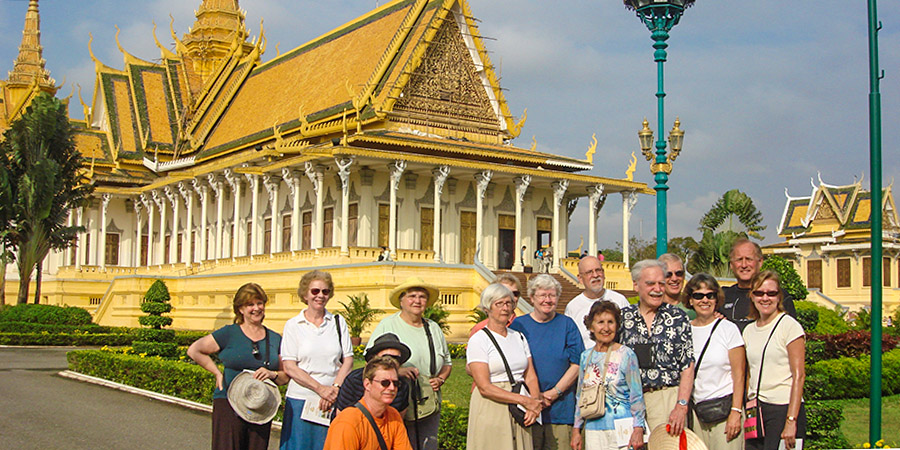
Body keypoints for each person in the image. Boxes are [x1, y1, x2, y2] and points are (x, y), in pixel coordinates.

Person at [187, 283, 290, 450]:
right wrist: (217, 373)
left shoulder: (274, 338)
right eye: (250, 304)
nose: (256, 308)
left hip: (259, 405)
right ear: (240, 309)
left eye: (259, 303)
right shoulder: (229, 333)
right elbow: (194, 350)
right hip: (229, 401)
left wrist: (272, 374)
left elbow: (285, 376)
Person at [366, 277, 452, 450]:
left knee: (427, 444)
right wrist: (398, 371)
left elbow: (447, 362)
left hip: (427, 401)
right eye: (412, 296)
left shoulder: (433, 328)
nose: (417, 301)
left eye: (422, 297)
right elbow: (371, 361)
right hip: (395, 398)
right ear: (402, 301)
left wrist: (440, 379)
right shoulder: (388, 325)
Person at [618, 260, 693, 437]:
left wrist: (681, 405)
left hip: (667, 398)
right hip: (630, 402)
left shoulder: (677, 317)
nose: (657, 289)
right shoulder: (623, 318)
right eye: (651, 284)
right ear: (636, 285)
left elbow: (687, 365)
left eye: (661, 283)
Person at [280, 270, 354, 450]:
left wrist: (334, 389)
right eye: (315, 291)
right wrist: (320, 389)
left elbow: (348, 359)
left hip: (332, 399)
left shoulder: (337, 321)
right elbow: (290, 366)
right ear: (305, 294)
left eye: (325, 291)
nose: (320, 296)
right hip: (301, 399)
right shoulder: (293, 325)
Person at [509, 274, 582, 450]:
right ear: (532, 298)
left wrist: (554, 393)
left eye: (552, 295)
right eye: (542, 295)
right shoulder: (518, 325)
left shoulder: (567, 324)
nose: (547, 300)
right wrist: (534, 397)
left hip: (560, 409)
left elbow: (577, 363)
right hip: (527, 408)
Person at [467, 283, 543, 450]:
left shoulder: (519, 337)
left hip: (520, 404)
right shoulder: (479, 340)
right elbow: (484, 386)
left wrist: (534, 404)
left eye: (508, 303)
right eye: (499, 304)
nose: (505, 308)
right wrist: (524, 401)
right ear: (488, 308)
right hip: (493, 404)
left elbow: (530, 375)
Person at [743, 271, 806, 450]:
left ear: (779, 297)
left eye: (771, 293)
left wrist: (791, 420)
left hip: (783, 407)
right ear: (752, 296)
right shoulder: (749, 330)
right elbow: (749, 372)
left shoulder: (789, 326)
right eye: (759, 293)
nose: (765, 298)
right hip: (757, 410)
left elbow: (799, 375)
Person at [570, 301, 645, 450]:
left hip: (622, 428)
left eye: (610, 322)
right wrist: (576, 429)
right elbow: (580, 395)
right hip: (594, 428)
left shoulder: (626, 354)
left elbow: (636, 395)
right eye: (600, 322)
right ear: (591, 326)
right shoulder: (586, 356)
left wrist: (638, 428)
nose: (606, 328)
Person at [683, 273, 745, 450]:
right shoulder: (685, 330)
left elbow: (739, 375)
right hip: (696, 414)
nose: (705, 300)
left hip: (724, 411)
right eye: (698, 295)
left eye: (710, 295)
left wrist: (736, 412)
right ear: (690, 300)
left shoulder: (728, 329)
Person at [324, 356, 414, 450]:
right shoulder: (348, 423)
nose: (391, 388)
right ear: (367, 384)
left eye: (395, 383)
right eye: (385, 383)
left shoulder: (394, 416)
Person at [722, 238, 797, 332]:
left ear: (760, 262)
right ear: (731, 265)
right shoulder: (722, 297)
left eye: (749, 259)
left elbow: (790, 333)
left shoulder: (777, 296)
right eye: (739, 260)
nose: (744, 265)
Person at [335, 333, 412, 414]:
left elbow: (398, 419)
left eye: (397, 358)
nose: (392, 362)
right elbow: (341, 415)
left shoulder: (402, 385)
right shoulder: (354, 380)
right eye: (386, 357)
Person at [565, 256, 629, 350]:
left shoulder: (620, 300)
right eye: (589, 272)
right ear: (580, 278)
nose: (595, 275)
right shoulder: (572, 307)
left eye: (598, 270)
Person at [658, 253, 694, 320]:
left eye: (679, 273)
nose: (674, 279)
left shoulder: (694, 309)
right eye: (668, 274)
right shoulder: (651, 310)